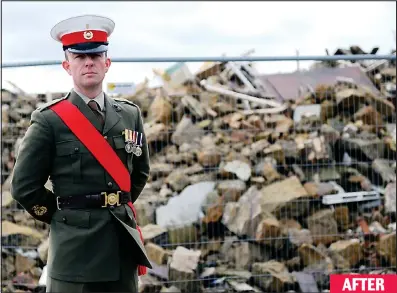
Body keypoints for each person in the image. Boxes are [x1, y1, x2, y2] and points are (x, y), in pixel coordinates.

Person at [10, 15, 152, 292]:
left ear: (107, 63)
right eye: (79, 57)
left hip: (121, 244)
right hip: (75, 251)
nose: (89, 62)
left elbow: (140, 171)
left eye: (97, 55)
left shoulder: (129, 114)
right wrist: (63, 215)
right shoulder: (49, 120)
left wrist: (115, 204)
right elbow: (24, 187)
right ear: (67, 65)